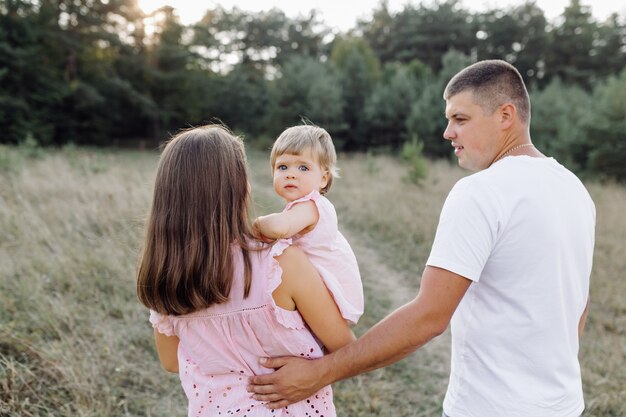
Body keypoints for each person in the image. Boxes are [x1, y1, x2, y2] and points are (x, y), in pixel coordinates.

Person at [248, 60, 596, 417]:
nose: (447, 132)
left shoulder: (481, 192)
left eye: (460, 119)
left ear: (505, 115)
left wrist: (319, 373)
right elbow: (577, 306)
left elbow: (428, 317)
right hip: (565, 404)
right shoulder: (574, 188)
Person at [136, 125, 355, 417]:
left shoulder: (166, 273)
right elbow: (345, 348)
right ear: (241, 188)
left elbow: (171, 361)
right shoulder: (281, 264)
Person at [253, 125, 364, 325]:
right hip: (316, 287)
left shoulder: (311, 206)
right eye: (282, 167)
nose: (291, 174)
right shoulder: (303, 206)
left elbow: (279, 227)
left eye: (303, 167)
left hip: (330, 295)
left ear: (323, 178)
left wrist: (256, 225)